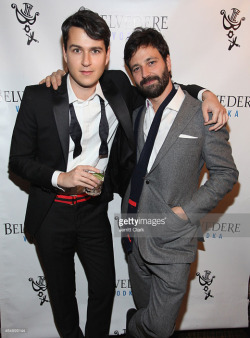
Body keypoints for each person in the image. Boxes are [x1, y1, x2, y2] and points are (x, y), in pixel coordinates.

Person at [9, 8, 227, 338]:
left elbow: (161, 86)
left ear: (106, 55)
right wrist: (61, 177)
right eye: (76, 50)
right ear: (64, 52)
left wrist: (204, 92)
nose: (85, 61)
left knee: (104, 290)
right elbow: (18, 161)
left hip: (94, 210)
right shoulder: (39, 97)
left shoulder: (118, 88)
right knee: (62, 296)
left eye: (95, 50)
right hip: (50, 213)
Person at [120, 27, 238, 338]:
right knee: (148, 316)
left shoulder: (202, 113)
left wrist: (183, 214)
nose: (146, 73)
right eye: (136, 68)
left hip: (174, 237)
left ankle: (132, 325)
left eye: (152, 62)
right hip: (135, 228)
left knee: (158, 327)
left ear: (168, 62)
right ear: (131, 75)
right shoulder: (134, 113)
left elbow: (226, 174)